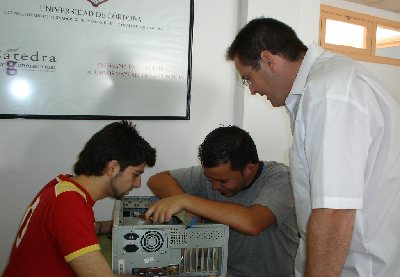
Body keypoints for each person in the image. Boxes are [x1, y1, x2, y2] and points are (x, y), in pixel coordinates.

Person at [226, 17, 400, 277]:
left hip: (360, 267)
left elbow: (334, 213)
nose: (251, 90)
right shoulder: (321, 87)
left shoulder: (329, 94)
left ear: (269, 60)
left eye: (248, 79)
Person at [3, 120, 156, 277]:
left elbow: (73, 231)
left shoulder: (63, 185)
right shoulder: (69, 204)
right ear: (112, 168)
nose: (138, 184)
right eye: (136, 174)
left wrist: (116, 226)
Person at [145, 125, 299, 277]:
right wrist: (189, 211)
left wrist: (185, 201)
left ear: (249, 169)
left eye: (223, 181)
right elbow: (158, 180)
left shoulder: (281, 178)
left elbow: (252, 222)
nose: (214, 186)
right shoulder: (215, 174)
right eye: (209, 178)